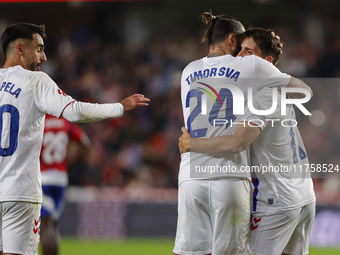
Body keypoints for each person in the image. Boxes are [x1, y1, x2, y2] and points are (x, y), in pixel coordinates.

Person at [0, 22, 149, 255]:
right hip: (20, 194)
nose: (45, 57)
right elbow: (76, 111)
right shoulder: (35, 81)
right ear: (20, 49)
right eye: (39, 49)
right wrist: (119, 107)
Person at [172, 11, 311, 255]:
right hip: (232, 177)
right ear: (232, 40)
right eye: (241, 47)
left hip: (191, 175)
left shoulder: (187, 71)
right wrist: (271, 70)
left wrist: (191, 143)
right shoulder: (252, 67)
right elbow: (304, 91)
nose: (242, 55)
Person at [39, 114, 90, 255]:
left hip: (42, 178)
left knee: (45, 224)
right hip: (60, 179)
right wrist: (66, 165)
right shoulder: (65, 122)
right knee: (53, 226)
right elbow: (84, 143)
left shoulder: (39, 120)